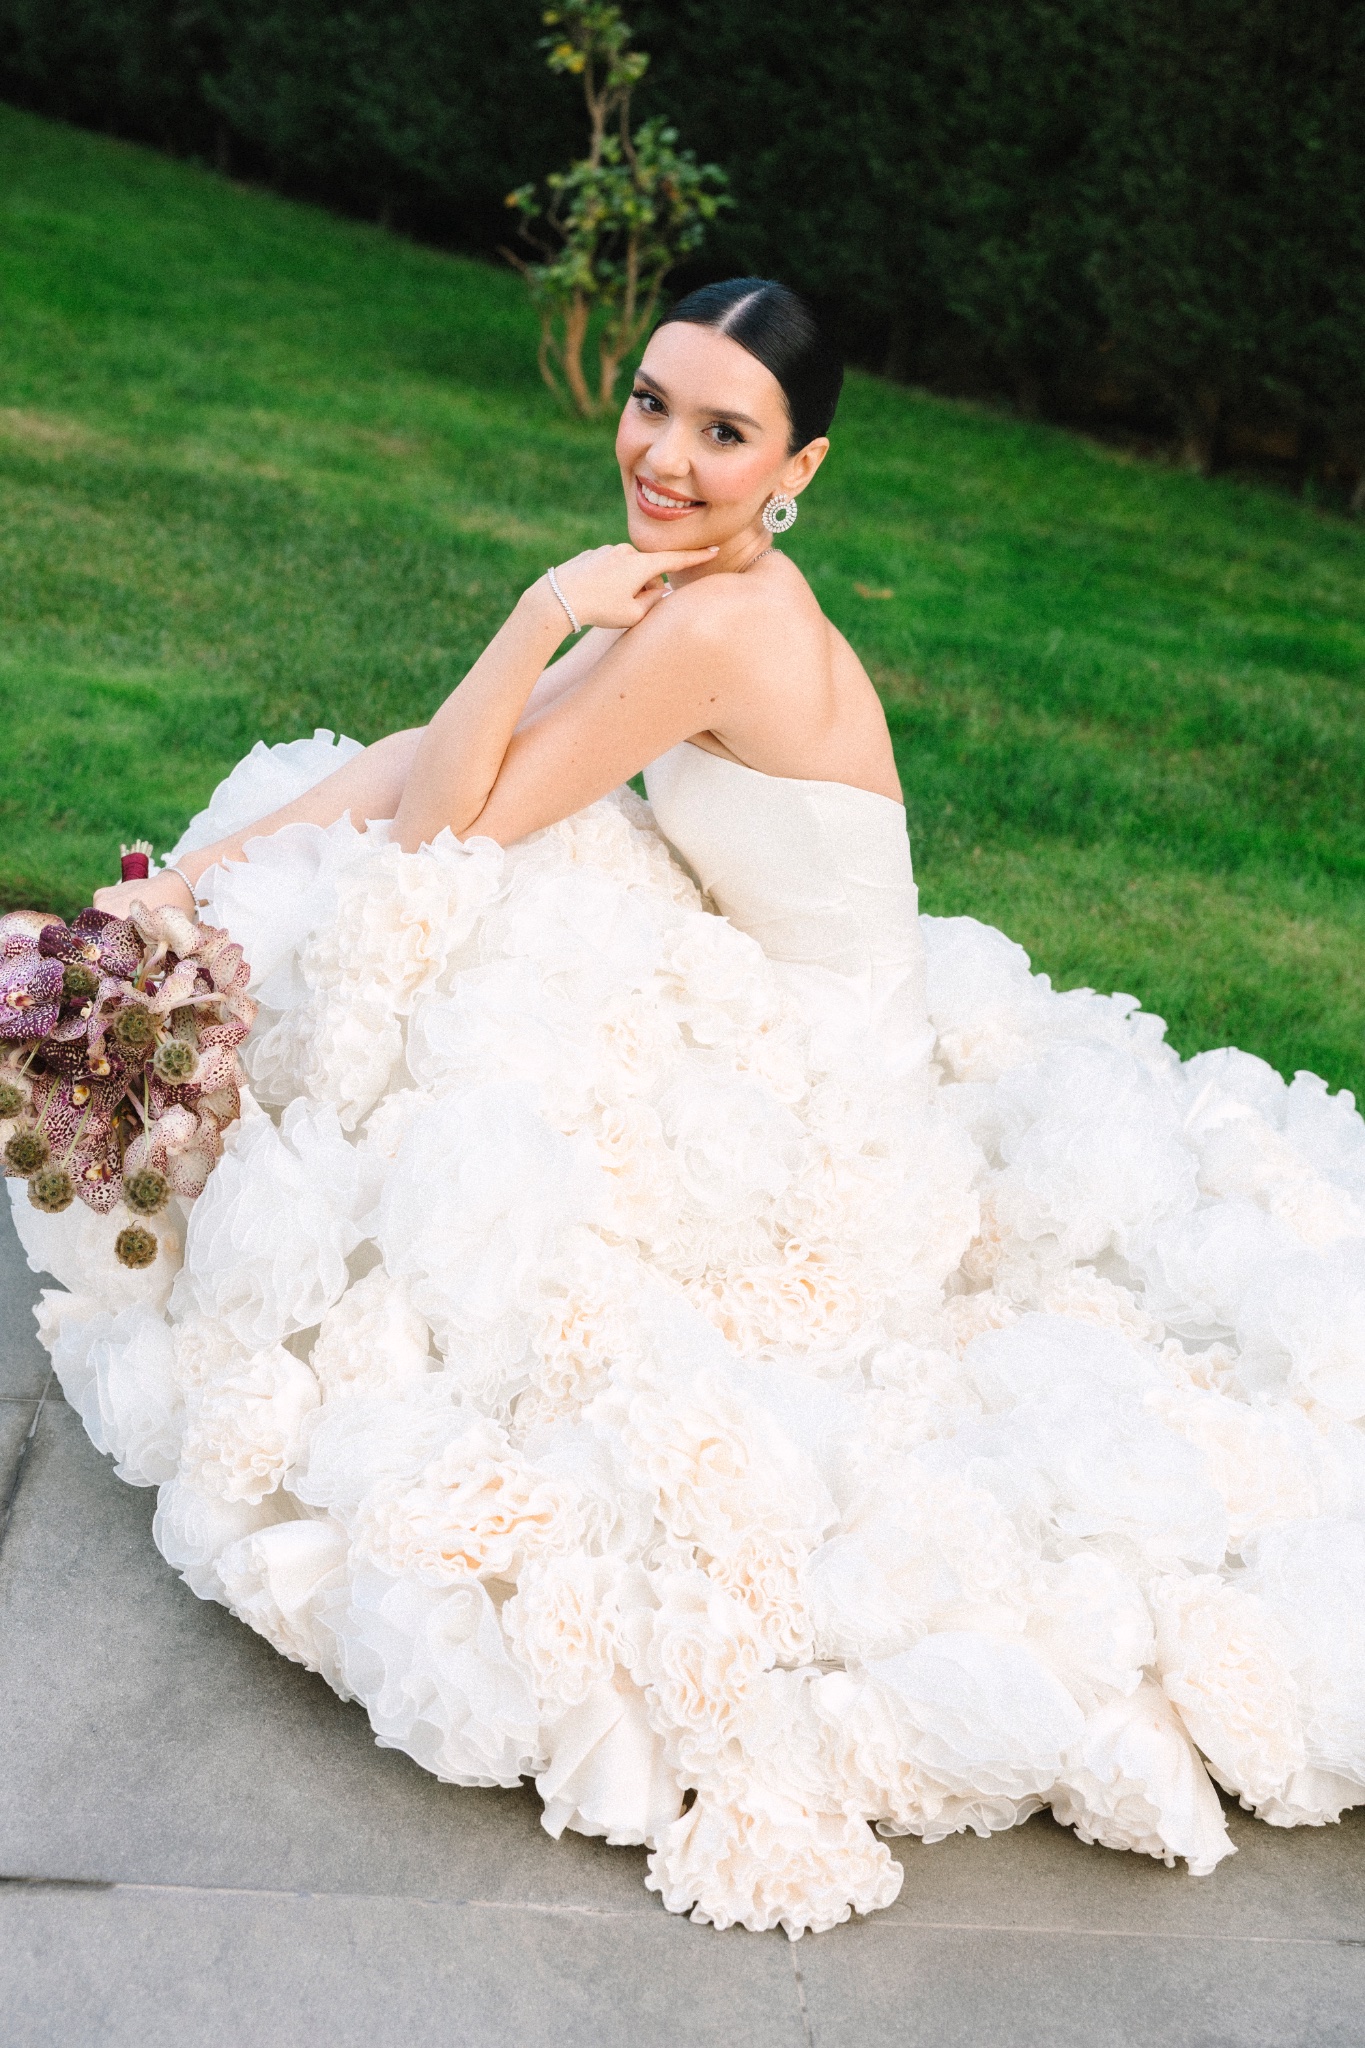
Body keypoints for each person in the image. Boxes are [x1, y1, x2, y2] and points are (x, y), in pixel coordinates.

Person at [13, 280, 1365, 1939]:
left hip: (826, 1090)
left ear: (801, 467)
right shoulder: (693, 587)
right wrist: (165, 895)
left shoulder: (723, 624)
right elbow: (434, 760)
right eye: (651, 402)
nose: (661, 453)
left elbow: (447, 824)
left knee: (452, 940)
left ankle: (170, 1039)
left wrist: (539, 610)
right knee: (444, 893)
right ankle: (139, 970)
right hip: (768, 986)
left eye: (723, 431)